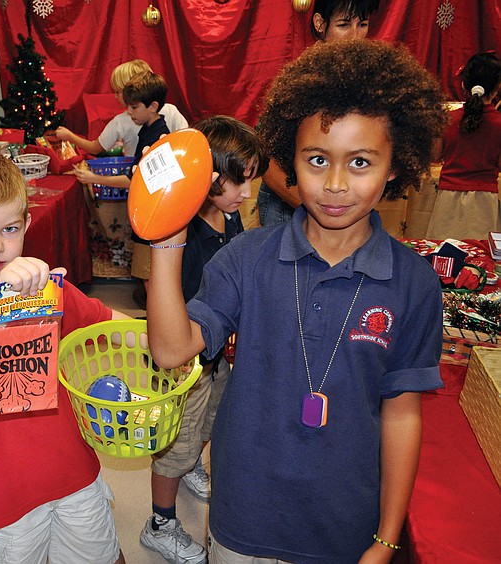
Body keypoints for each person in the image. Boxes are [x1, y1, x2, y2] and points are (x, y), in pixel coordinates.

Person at [147, 40, 447, 563]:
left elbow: (402, 414)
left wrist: (387, 537)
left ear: (395, 166)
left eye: (359, 162)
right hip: (244, 515)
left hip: (344, 524)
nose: (334, 185)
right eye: (316, 160)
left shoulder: (413, 282)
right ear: (290, 160)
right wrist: (167, 239)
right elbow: (173, 351)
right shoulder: (246, 257)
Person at [0, 148, 129, 564]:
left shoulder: (46, 287)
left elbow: (111, 322)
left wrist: (165, 343)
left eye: (8, 228)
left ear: (27, 224)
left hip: (74, 472)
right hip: (6, 497)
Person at [139, 116, 268, 564]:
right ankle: (160, 522)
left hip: (214, 361)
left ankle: (195, 462)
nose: (247, 194)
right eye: (239, 182)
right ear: (208, 178)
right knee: (173, 449)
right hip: (185, 370)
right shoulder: (183, 233)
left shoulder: (229, 219)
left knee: (205, 430)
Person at [257, 0, 381, 227]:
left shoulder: (367, 81)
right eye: (344, 25)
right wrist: (309, 203)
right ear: (320, 23)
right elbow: (265, 158)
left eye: (362, 24)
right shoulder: (299, 80)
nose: (355, 36)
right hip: (291, 205)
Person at [73, 71, 170, 304]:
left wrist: (93, 178)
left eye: (134, 107)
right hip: (148, 212)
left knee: (149, 274)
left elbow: (133, 179)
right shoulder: (148, 127)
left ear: (153, 106)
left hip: (152, 215)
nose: (129, 111)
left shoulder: (156, 135)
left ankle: (157, 314)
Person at [426, 52, 501, 240]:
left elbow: (434, 156)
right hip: (484, 202)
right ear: (497, 87)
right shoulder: (499, 123)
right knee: (482, 260)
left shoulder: (447, 119)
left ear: (463, 85)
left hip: (447, 200)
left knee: (443, 257)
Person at [55, 59, 188, 157]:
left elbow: (95, 148)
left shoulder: (120, 121)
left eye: (118, 92)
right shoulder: (171, 110)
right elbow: (186, 139)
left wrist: (69, 136)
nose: (115, 97)